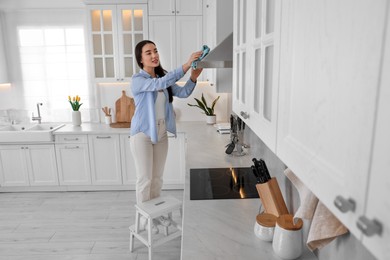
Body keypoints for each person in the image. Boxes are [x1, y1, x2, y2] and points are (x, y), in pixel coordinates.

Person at [130, 40, 203, 234]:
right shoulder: (138, 80)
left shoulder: (164, 78)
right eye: (148, 53)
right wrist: (186, 65)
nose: (154, 55)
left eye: (155, 51)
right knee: (145, 179)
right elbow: (159, 83)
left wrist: (193, 78)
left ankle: (153, 213)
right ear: (140, 58)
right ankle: (146, 219)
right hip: (142, 133)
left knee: (157, 179)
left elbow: (184, 92)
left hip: (161, 133)